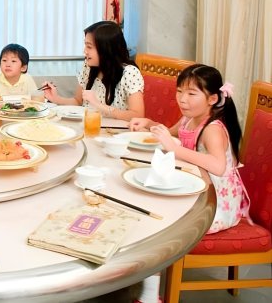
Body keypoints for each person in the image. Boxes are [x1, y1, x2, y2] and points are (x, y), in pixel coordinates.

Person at [130, 64, 250, 234]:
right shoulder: (189, 118)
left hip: (214, 204)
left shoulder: (212, 129)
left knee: (155, 217)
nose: (182, 99)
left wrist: (174, 149)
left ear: (212, 99)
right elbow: (171, 133)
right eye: (179, 91)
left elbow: (218, 166)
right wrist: (149, 123)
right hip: (195, 186)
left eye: (191, 94)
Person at [42, 21, 144, 121]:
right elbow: (78, 101)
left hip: (116, 131)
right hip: (88, 127)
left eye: (89, 47)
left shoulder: (129, 73)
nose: (85, 51)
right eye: (85, 45)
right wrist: (56, 98)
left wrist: (98, 105)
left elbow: (138, 115)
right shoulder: (89, 67)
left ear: (106, 49)